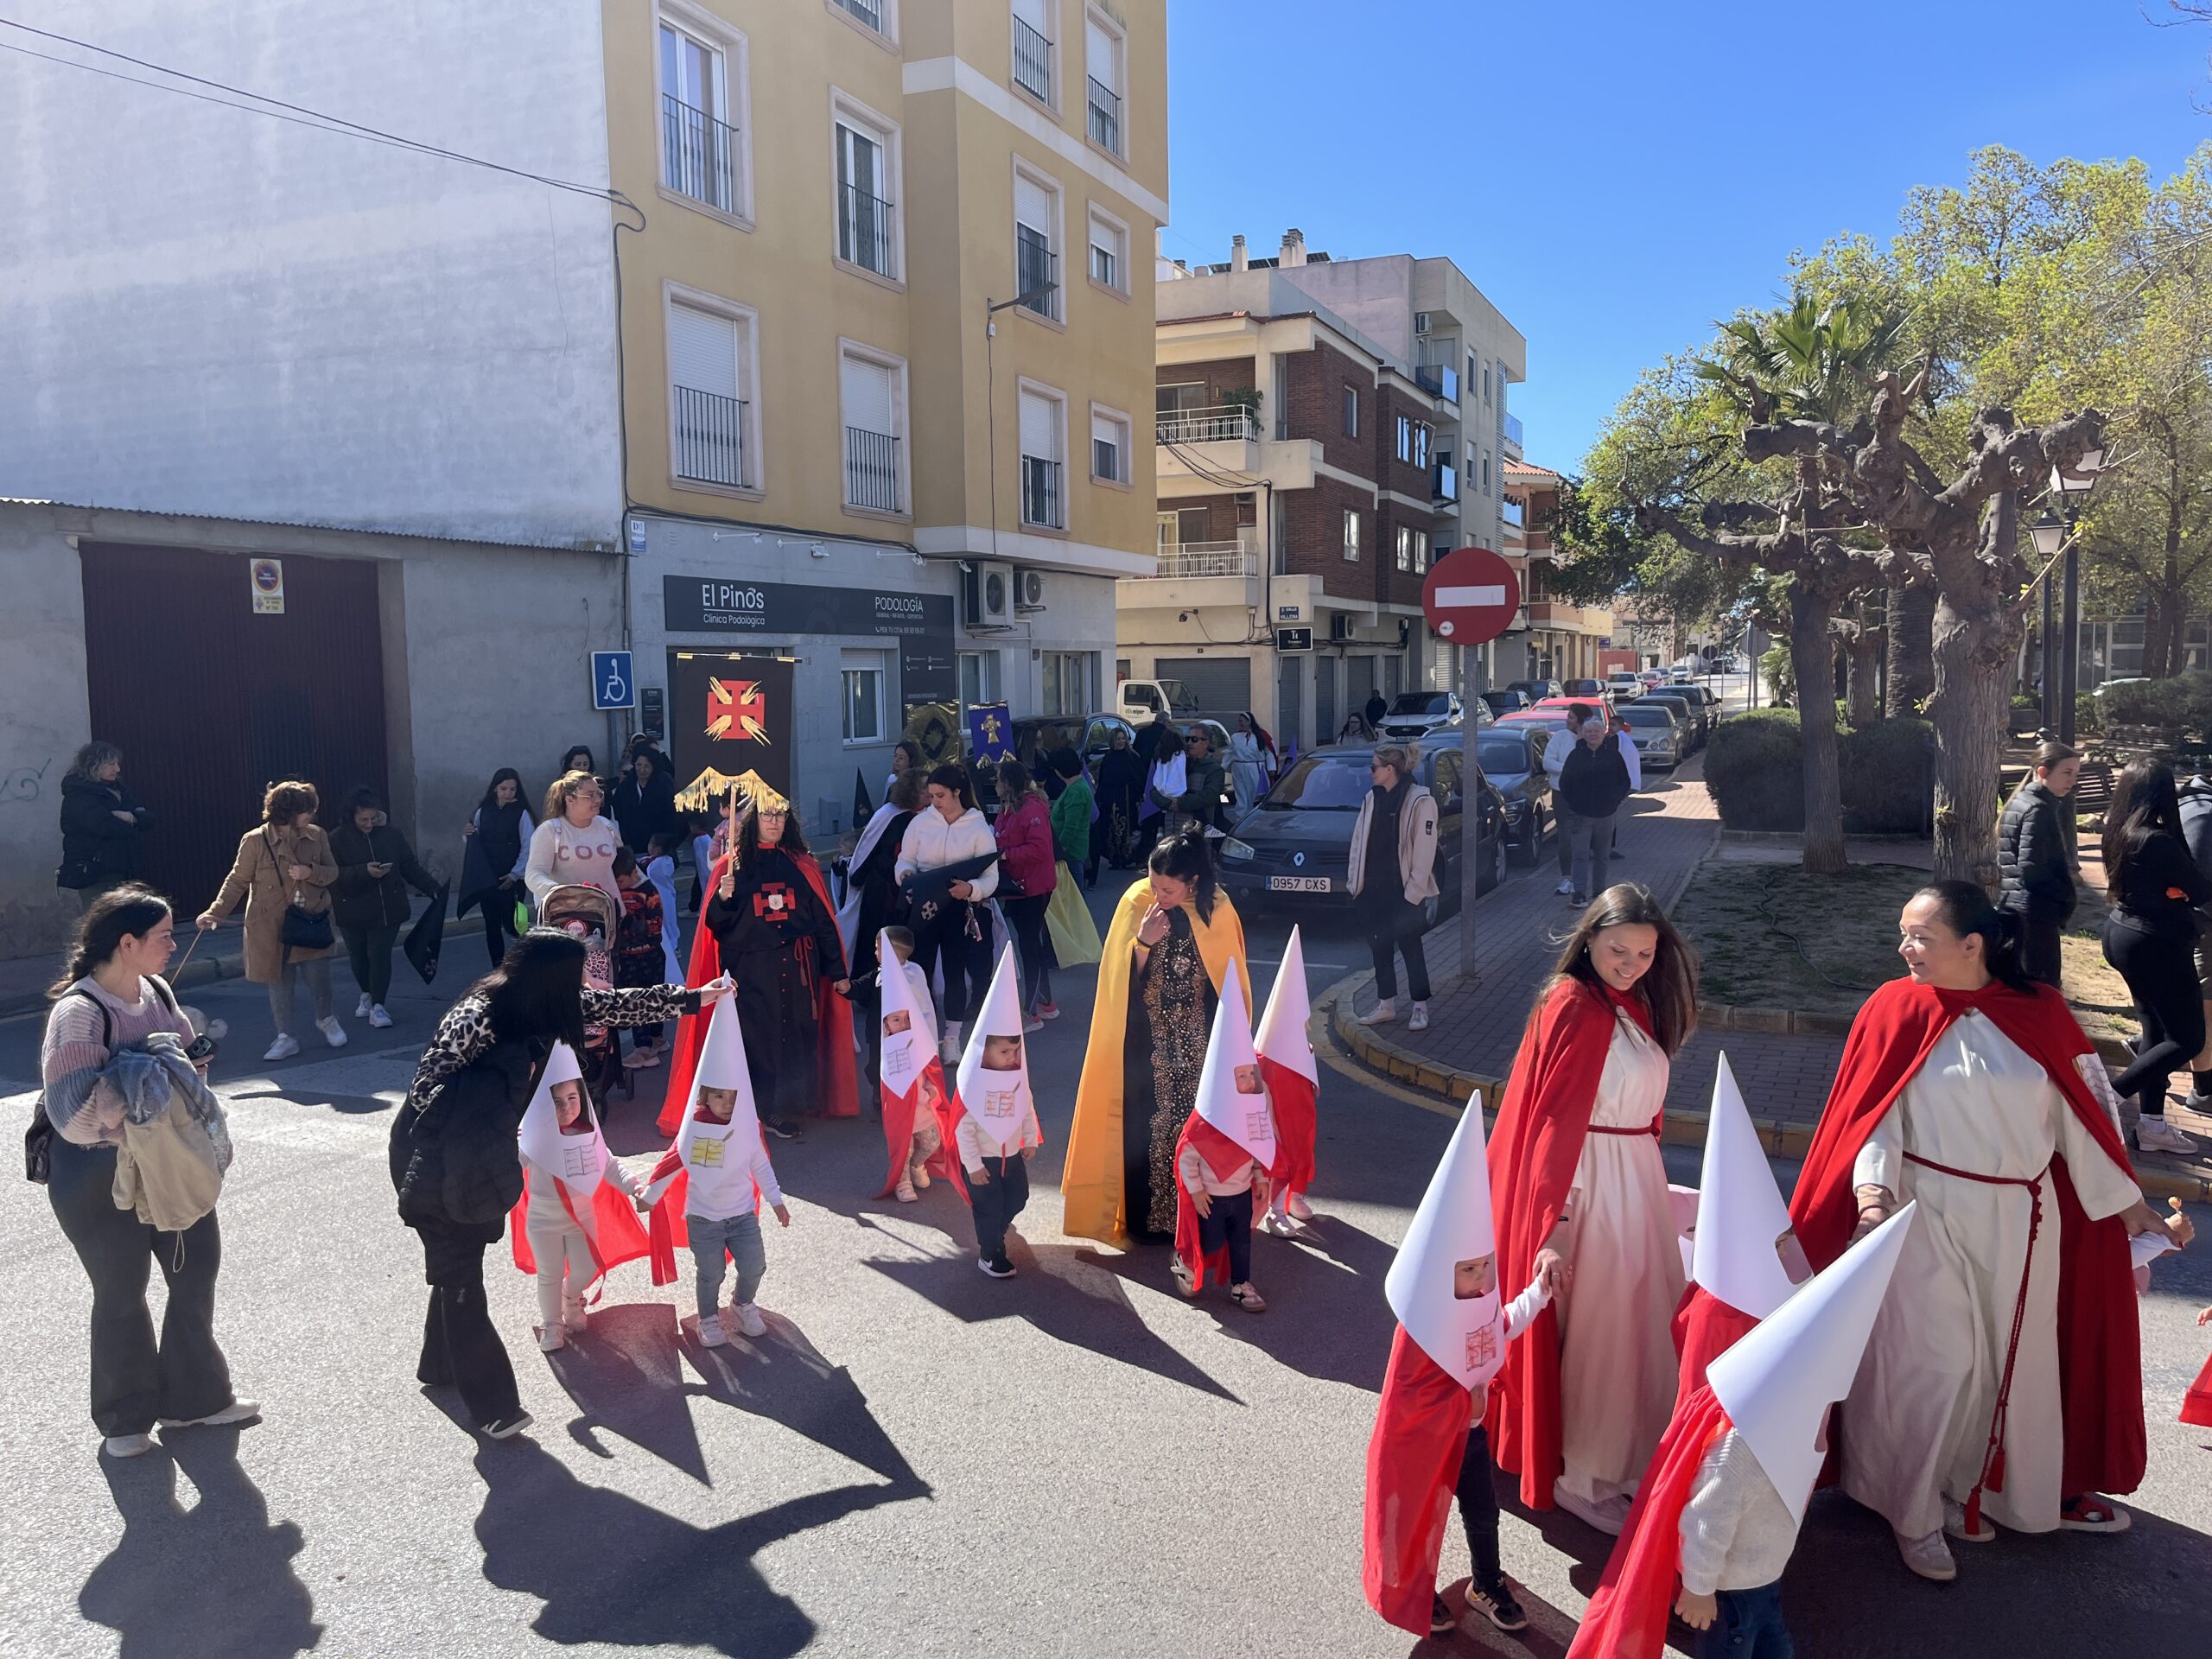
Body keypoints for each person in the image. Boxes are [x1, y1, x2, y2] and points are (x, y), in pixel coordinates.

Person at [1789, 880, 2193, 1580]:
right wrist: (1874, 1196)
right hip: (1924, 1209)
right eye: (1904, 933)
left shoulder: (2040, 1013)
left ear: (1973, 945)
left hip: (2022, 1219)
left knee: (2007, 1368)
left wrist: (2130, 1204)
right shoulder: (1894, 1007)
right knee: (1935, 1363)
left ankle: (1981, 1492)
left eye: (1920, 937)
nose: (1904, 947)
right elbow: (1874, 1114)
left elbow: (2081, 1118)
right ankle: (1910, 1513)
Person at [1567, 1211, 1918, 1659]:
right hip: (1730, 1594)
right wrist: (1697, 1589)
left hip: (1765, 1579)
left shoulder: (1801, 1418)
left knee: (1776, 1644)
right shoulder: (1743, 1446)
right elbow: (1704, 1519)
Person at [1484, 884, 1700, 1536]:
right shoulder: (1575, 1004)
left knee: (1633, 1329)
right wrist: (1560, 1225)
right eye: (1617, 950)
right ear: (1589, 941)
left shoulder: (1626, 1005)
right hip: (1593, 1186)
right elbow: (1556, 1124)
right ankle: (1584, 1475)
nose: (1631, 963)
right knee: (1605, 1336)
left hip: (1629, 1178)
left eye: (1643, 953)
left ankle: (1621, 1461)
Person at [39, 887, 257, 1459]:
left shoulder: (156, 990)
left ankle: (196, 1400)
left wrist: (185, 1067)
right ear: (126, 943)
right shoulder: (78, 1014)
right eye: (163, 935)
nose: (172, 944)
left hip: (168, 1162)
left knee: (195, 1269)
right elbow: (74, 1116)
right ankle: (124, 1419)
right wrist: (146, 1077)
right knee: (121, 1289)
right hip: (94, 1174)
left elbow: (187, 1062)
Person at [1363, 1092, 1546, 1639]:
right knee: (1419, 1514)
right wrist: (1459, 1401)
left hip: (1468, 1439)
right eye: (1471, 1271)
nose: (1483, 1279)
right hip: (1425, 1441)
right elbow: (1410, 1393)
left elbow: (1505, 1323)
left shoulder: (1481, 1302)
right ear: (1445, 1271)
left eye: (1487, 1267)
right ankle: (1416, 1589)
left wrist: (1539, 1291)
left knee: (1483, 1512)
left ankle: (1486, 1582)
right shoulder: (1419, 1327)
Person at [1061, 830, 1251, 1247]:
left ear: (1193, 882)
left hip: (1201, 1039)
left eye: (1168, 888)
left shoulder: (1217, 909)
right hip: (1145, 1042)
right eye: (1153, 883)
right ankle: (1151, 1222)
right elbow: (1118, 979)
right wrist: (1144, 941)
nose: (1159, 893)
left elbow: (1230, 984)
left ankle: (1204, 1216)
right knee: (1147, 1129)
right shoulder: (1137, 902)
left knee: (1197, 1126)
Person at [676, 782, 854, 1141]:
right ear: (754, 819)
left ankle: (791, 1101)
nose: (774, 821)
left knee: (797, 1031)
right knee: (759, 1037)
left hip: (797, 963)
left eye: (781, 814)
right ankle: (763, 1107)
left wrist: (836, 970)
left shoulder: (801, 864)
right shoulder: (730, 867)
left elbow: (822, 919)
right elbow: (715, 926)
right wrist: (723, 898)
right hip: (751, 969)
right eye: (768, 814)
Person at [642, 997, 788, 1346]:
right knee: (711, 1273)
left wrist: (777, 1201)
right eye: (718, 1096)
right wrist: (649, 1197)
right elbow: (672, 1163)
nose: (726, 1103)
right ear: (705, 1097)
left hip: (741, 1216)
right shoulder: (693, 1131)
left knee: (755, 1265)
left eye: (731, 1097)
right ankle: (708, 1319)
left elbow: (760, 1165)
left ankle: (742, 1304)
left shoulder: (747, 1130)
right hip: (704, 1219)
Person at [510, 1041, 653, 1352]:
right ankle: (552, 1324)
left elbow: (610, 1166)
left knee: (586, 1269)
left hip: (581, 1218)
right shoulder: (532, 1137)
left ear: (583, 1099)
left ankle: (571, 1296)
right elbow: (510, 1167)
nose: (566, 1107)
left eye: (572, 1099)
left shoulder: (589, 1135)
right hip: (543, 1218)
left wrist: (636, 1187)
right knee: (548, 1273)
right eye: (557, 1102)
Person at [2099, 762, 2206, 1156]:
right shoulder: (2158, 840)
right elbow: (2199, 890)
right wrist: (2178, 892)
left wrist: (2174, 891)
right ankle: (2104, 1099)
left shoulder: (2119, 832)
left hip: (2123, 933)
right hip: (2156, 943)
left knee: (2156, 1035)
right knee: (2188, 1038)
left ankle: (2153, 1126)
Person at [198, 780, 346, 1062]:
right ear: (289, 812)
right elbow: (238, 880)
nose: (311, 816)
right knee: (278, 980)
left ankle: (326, 1019)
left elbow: (333, 872)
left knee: (319, 977)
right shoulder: (255, 840)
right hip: (269, 925)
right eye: (307, 810)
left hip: (310, 918)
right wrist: (216, 912)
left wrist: (309, 872)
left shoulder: (317, 835)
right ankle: (286, 1036)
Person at [1170, 963, 1274, 1310]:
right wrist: (1196, 1191)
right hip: (1211, 1197)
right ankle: (1186, 1261)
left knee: (1241, 1241)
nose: (1248, 1081)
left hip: (1241, 1193)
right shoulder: (1206, 1120)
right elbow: (1187, 1156)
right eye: (1240, 1075)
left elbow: (1258, 1149)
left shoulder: (1253, 1111)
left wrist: (1260, 1177)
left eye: (1251, 1074)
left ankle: (1241, 1284)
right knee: (1211, 1242)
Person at [893, 763, 999, 1063]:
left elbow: (991, 877)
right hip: (924, 906)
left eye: (940, 795)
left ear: (957, 792)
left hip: (957, 908)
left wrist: (972, 889)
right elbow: (905, 859)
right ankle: (924, 1036)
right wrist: (905, 875)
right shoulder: (920, 823)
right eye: (931, 795)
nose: (934, 801)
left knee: (955, 973)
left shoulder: (978, 827)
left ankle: (952, 1040)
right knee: (919, 971)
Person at [950, 947, 1043, 1279]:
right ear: (985, 1049)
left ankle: (998, 1229)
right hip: (985, 1162)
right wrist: (972, 1166)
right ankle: (990, 1253)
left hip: (1012, 1155)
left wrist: (1029, 1140)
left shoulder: (1016, 1076)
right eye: (1003, 1051)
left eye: (1015, 1050)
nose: (1010, 1056)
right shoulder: (975, 1083)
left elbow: (1026, 1107)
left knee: (1018, 1197)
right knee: (988, 1208)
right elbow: (963, 1127)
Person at [329, 786, 441, 1031]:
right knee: (358, 956)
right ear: (352, 816)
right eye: (363, 820)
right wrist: (363, 871)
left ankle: (378, 1006)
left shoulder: (391, 834)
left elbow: (409, 865)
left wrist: (432, 887)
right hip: (351, 908)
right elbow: (332, 874)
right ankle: (367, 994)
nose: (368, 824)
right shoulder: (336, 839)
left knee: (379, 955)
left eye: (372, 818)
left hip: (388, 907)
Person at [841, 771, 925, 1092]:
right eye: (923, 790)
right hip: (883, 891)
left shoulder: (922, 818)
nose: (928, 797)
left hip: (902, 892)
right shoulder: (889, 817)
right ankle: (872, 992)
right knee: (877, 943)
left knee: (900, 943)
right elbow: (873, 855)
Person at [1350, 742, 1440, 1034]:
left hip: (1403, 893)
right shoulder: (1371, 799)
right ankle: (1386, 1005)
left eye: (1374, 767)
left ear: (1390, 769)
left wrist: (1413, 893)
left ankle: (1419, 1008)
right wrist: (1356, 884)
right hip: (1373, 890)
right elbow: (1358, 844)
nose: (1370, 772)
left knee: (1412, 947)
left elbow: (1424, 853)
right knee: (1380, 948)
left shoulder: (1419, 800)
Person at [862, 925, 956, 1203]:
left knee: (930, 1141)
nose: (874, 952)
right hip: (895, 1075)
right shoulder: (882, 977)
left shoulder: (913, 974)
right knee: (900, 1142)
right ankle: (902, 1180)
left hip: (921, 1097)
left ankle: (917, 1165)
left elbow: (923, 1009)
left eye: (879, 948)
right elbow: (868, 988)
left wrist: (930, 1088)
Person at [1997, 740, 2081, 988]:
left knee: (2022, 984)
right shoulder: (2038, 809)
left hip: (2017, 905)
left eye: (2076, 773)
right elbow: (2031, 870)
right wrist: (2065, 894)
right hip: (2034, 911)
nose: (2072, 780)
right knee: (2040, 988)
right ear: (2043, 771)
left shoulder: (2022, 801)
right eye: (2067, 773)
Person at [993, 758, 1058, 1029]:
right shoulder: (1009, 809)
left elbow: (1038, 849)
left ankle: (1031, 1012)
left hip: (1032, 887)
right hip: (1020, 887)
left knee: (1030, 947)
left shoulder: (1031, 808)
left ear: (1008, 784)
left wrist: (1005, 854)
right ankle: (1045, 1003)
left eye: (998, 780)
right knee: (1033, 945)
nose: (994, 785)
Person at [56, 741, 150, 912]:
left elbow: (149, 820)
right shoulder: (79, 794)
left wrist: (129, 817)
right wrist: (134, 820)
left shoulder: (118, 789)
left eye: (117, 764)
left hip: (124, 869)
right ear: (94, 765)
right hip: (95, 873)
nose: (117, 769)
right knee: (102, 924)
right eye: (111, 764)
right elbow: (106, 826)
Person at [1560, 711, 1634, 905]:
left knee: (1602, 855)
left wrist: (1613, 800)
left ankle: (1599, 892)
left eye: (1597, 731)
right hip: (1580, 815)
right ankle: (1580, 893)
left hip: (1606, 814)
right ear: (1583, 734)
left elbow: (1624, 782)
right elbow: (1565, 783)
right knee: (1580, 855)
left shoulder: (1613, 755)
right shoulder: (1576, 756)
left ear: (1603, 733)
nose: (1593, 734)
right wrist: (1574, 803)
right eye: (1589, 731)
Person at [463, 769, 533, 968]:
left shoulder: (522, 814)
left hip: (513, 881)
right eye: (503, 788)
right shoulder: (482, 812)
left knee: (516, 925)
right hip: (488, 880)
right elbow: (473, 843)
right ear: (495, 788)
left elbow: (528, 846)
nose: (508, 793)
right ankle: (498, 968)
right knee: (491, 926)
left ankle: (524, 963)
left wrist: (515, 874)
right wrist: (467, 833)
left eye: (512, 789)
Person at [610, 848, 669, 1073]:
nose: (617, 884)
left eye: (620, 880)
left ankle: (650, 1044)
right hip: (627, 957)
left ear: (633, 872)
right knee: (635, 999)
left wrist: (630, 923)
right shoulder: (613, 893)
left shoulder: (649, 891)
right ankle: (645, 1043)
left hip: (650, 955)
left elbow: (655, 927)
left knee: (654, 998)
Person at [525, 772, 621, 907]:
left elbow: (626, 866)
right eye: (590, 795)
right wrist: (559, 892)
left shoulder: (606, 826)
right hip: (566, 915)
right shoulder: (549, 830)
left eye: (599, 794)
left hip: (608, 912)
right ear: (570, 799)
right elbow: (534, 874)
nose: (597, 800)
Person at [2181, 762, 2212, 1114]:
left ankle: (2147, 1041)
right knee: (2205, 1007)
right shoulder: (2203, 814)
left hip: (2193, 924)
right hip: (2203, 928)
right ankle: (2203, 1091)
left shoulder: (2194, 805)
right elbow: (2202, 887)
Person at [1542, 705, 1590, 898]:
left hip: (1584, 793)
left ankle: (1581, 879)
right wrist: (1570, 769)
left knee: (1583, 834)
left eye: (1571, 717)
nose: (1567, 720)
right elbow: (1548, 762)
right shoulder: (1560, 737)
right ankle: (1567, 878)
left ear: (1580, 720)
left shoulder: (1590, 737)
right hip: (1561, 793)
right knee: (1565, 835)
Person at [608, 747, 679, 855]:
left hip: (657, 843)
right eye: (638, 765)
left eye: (647, 766)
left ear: (653, 767)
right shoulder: (626, 785)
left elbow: (670, 815)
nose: (642, 770)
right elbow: (619, 810)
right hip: (631, 841)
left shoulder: (663, 784)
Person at [1095, 727, 1145, 871]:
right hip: (1110, 798)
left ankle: (1126, 856)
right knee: (1110, 828)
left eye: (1123, 739)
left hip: (1126, 798)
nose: (1121, 742)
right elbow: (1103, 779)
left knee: (1126, 828)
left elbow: (1139, 776)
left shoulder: (1132, 756)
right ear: (1113, 741)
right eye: (1118, 739)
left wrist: (1138, 794)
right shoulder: (1108, 757)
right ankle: (1114, 858)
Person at [1048, 747, 1097, 891]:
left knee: (1074, 897)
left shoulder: (1076, 791)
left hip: (1070, 853)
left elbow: (1071, 826)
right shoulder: (1074, 787)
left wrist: (1060, 850)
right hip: (1071, 852)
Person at [1228, 712, 1277, 816]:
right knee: (1241, 794)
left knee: (1255, 793)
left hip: (1256, 768)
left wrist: (1271, 768)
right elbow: (1229, 753)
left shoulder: (1261, 736)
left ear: (1249, 721)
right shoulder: (1235, 737)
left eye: (1241, 720)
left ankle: (1256, 816)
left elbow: (1269, 752)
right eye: (1239, 720)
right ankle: (1241, 818)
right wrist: (1222, 767)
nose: (1239, 723)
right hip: (1238, 768)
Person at [886, 739, 924, 803]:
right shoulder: (891, 779)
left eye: (901, 758)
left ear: (911, 761)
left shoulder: (918, 781)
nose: (896, 760)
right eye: (895, 756)